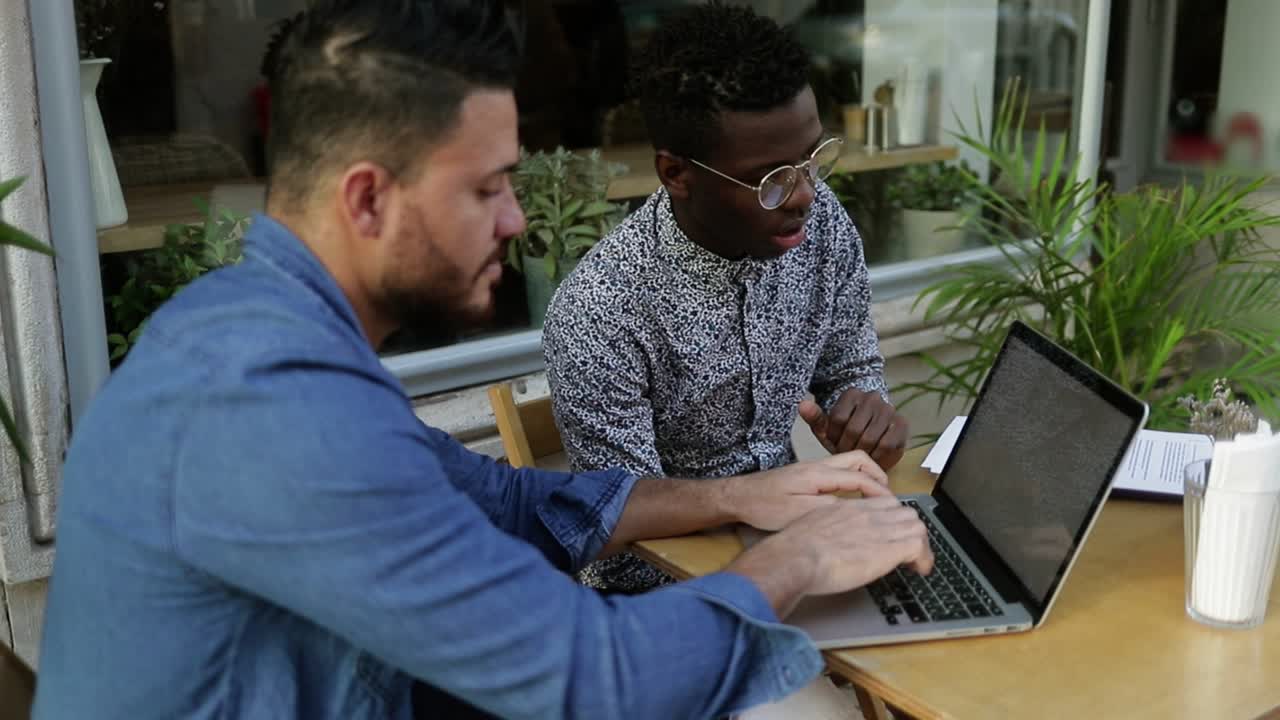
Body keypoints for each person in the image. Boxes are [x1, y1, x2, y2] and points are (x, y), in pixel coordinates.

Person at [32, 2, 933, 719]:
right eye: (486, 187)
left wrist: (736, 497)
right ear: (368, 199)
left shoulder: (251, 338)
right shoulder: (269, 411)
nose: (515, 220)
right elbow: (592, 682)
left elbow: (501, 497)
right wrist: (800, 560)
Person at [543, 1, 912, 594]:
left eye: (814, 159)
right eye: (772, 179)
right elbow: (620, 519)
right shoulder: (602, 311)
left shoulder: (822, 227)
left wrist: (864, 411)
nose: (805, 195)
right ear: (676, 174)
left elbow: (850, 366)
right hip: (659, 602)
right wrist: (780, 559)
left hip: (798, 544)